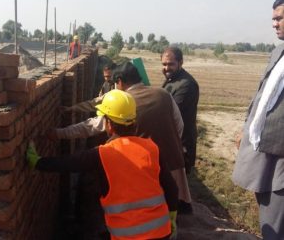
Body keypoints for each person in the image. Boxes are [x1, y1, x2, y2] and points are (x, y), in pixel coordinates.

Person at [28, 90, 178, 240]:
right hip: (161, 232)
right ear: (134, 120)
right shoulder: (152, 148)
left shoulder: (102, 154)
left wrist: (38, 162)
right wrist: (171, 215)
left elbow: (68, 163)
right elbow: (171, 187)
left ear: (109, 124)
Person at [50, 62, 191, 214]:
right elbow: (180, 126)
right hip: (175, 163)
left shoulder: (124, 103)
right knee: (170, 208)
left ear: (120, 82)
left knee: (144, 211)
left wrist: (59, 133)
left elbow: (91, 126)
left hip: (144, 168)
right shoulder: (163, 94)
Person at [232, 0, 284, 239]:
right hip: (264, 146)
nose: (275, 24)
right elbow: (263, 95)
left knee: (276, 213)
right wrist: (247, 126)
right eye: (274, 19)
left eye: (280, 18)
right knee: (266, 202)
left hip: (280, 152)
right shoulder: (278, 52)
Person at [161, 47, 199, 176]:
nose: (167, 68)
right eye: (164, 64)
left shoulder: (186, 84)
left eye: (171, 64)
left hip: (181, 145)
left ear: (180, 62)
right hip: (172, 141)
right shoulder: (172, 79)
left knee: (179, 187)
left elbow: (171, 112)